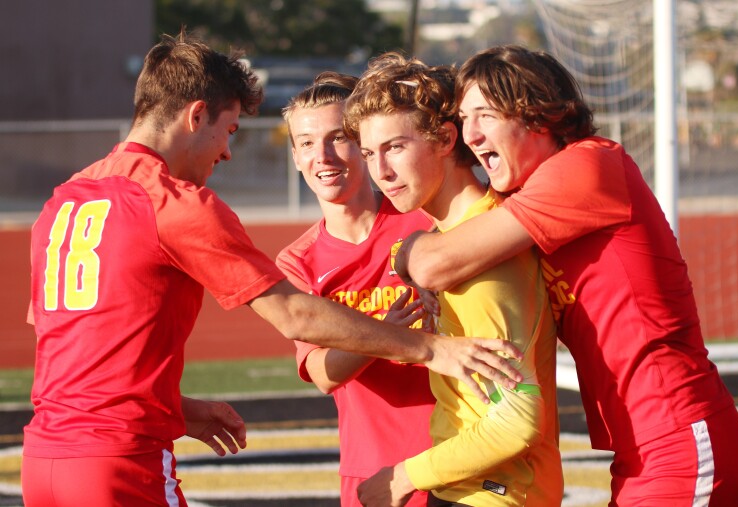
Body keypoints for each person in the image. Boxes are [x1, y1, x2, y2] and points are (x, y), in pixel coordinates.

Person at [22, 32, 523, 507]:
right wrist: (431, 347)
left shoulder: (63, 201)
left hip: (43, 459)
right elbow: (294, 316)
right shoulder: (174, 202)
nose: (227, 150)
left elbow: (71, 351)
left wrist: (175, 407)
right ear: (198, 115)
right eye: (230, 129)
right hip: (119, 461)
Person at [392, 45, 738, 505]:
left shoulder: (585, 166)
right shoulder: (531, 192)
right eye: (464, 119)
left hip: (678, 435)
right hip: (643, 449)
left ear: (536, 114)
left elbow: (434, 262)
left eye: (484, 114)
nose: (471, 134)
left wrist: (403, 252)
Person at [345, 53, 563, 507]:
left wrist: (405, 476)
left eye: (395, 147)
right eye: (369, 153)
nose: (379, 172)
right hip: (475, 488)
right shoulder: (453, 245)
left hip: (497, 494)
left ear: (445, 138)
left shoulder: (480, 257)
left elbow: (517, 419)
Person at [276, 71, 436, 507]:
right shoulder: (297, 261)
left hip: (456, 458)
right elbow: (324, 374)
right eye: (306, 143)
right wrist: (384, 335)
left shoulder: (424, 223)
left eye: (337, 138)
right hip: (373, 471)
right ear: (294, 155)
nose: (322, 156)